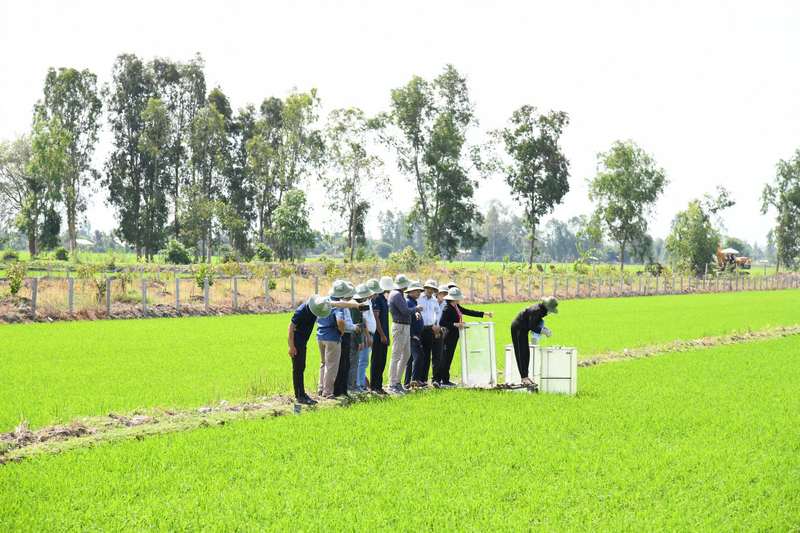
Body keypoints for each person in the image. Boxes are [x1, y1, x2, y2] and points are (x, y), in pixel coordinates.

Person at [288, 294, 365, 404]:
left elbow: (339, 304)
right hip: (296, 341)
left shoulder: (319, 303)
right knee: (298, 368)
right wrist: (291, 346)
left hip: (305, 340)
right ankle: (300, 396)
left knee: (303, 366)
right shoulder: (301, 311)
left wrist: (356, 305)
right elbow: (290, 327)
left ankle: (303, 394)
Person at [437, 286, 493, 388]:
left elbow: (468, 311)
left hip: (455, 336)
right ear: (454, 298)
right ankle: (444, 380)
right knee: (446, 358)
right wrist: (455, 324)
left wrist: (484, 313)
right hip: (449, 336)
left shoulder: (456, 307)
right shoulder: (448, 307)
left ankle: (445, 379)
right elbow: (442, 322)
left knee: (449, 357)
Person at [386, 273, 422, 395]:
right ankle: (392, 383)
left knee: (406, 354)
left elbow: (406, 311)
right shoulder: (396, 294)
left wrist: (414, 312)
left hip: (405, 326)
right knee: (396, 355)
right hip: (399, 326)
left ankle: (397, 381)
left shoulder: (399, 294)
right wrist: (417, 309)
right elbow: (405, 310)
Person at [510, 296, 558, 386]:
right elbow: (532, 326)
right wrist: (543, 331)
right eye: (551, 310)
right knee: (521, 353)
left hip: (523, 330)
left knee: (526, 353)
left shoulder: (539, 310)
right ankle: (523, 377)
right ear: (547, 308)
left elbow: (533, 325)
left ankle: (526, 376)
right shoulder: (536, 310)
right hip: (518, 329)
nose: (550, 312)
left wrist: (543, 329)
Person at [410, 278, 439, 386]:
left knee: (427, 354)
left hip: (429, 329)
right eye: (428, 288)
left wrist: (435, 322)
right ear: (424, 288)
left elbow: (438, 312)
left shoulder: (434, 300)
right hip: (419, 329)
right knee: (416, 355)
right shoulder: (418, 298)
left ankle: (423, 379)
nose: (429, 290)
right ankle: (413, 379)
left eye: (432, 289)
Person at [333, 281, 359, 398]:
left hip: (347, 334)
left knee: (346, 363)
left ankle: (343, 390)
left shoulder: (345, 304)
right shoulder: (340, 304)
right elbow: (343, 322)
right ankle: (339, 391)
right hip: (344, 335)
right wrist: (354, 328)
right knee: (342, 363)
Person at [348, 283, 374, 394]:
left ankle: (355, 385)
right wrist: (360, 341)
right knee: (354, 362)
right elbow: (357, 325)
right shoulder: (355, 306)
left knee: (356, 362)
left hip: (357, 335)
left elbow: (362, 322)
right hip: (354, 337)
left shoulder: (358, 304)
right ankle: (352, 386)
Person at [356, 279, 381, 391]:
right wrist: (366, 336)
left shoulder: (369, 301)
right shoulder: (363, 303)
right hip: (365, 335)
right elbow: (363, 320)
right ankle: (360, 385)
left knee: (364, 361)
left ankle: (361, 384)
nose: (375, 294)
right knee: (363, 361)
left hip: (369, 334)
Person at [370, 277, 392, 394]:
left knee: (382, 361)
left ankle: (379, 385)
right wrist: (382, 335)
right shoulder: (377, 298)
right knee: (376, 361)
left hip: (384, 335)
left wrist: (387, 336)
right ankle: (375, 386)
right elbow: (376, 317)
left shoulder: (383, 298)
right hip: (378, 336)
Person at [403, 281, 425, 389]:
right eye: (416, 290)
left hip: (415, 334)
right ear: (410, 291)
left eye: (420, 290)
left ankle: (407, 383)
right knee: (419, 356)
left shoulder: (413, 302)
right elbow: (408, 320)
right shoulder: (408, 302)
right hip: (413, 335)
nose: (419, 292)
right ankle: (414, 380)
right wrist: (411, 334)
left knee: (410, 359)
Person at [431, 284, 449, 387]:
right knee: (424, 356)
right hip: (429, 330)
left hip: (440, 331)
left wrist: (439, 329)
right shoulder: (432, 301)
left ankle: (436, 379)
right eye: (443, 293)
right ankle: (420, 380)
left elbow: (444, 320)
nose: (445, 295)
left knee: (438, 356)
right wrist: (434, 330)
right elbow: (429, 315)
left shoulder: (446, 304)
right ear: (439, 293)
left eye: (446, 293)